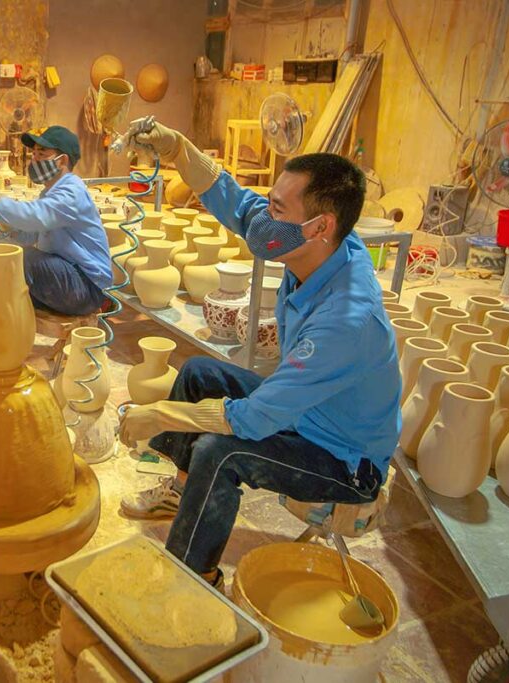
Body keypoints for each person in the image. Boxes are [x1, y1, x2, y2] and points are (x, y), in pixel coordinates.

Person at [117, 120, 401, 588]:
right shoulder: (323, 244)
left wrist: (161, 415)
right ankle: (183, 493)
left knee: (219, 452)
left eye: (277, 208)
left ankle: (195, 576)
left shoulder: (347, 322)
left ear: (320, 226)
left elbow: (256, 418)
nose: (263, 217)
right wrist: (179, 147)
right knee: (199, 372)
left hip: (345, 460)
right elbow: (234, 200)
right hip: (312, 413)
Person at [0, 125, 112, 316]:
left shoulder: (72, 192)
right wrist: (1, 231)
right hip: (68, 275)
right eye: (34, 153)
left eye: (42, 154)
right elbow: (29, 234)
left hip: (87, 287)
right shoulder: (50, 192)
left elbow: (34, 217)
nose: (34, 159)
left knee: (23, 258)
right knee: (7, 257)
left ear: (62, 160)